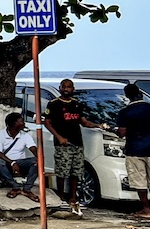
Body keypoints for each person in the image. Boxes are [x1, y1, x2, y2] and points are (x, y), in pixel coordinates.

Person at [43, 78, 105, 215]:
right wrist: (59, 137)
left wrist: (97, 125)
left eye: (69, 87)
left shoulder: (77, 104)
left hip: (77, 142)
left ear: (73, 89)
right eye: (64, 86)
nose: (66, 89)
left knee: (75, 172)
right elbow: (47, 123)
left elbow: (84, 122)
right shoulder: (54, 104)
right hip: (62, 144)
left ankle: (73, 197)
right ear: (60, 88)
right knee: (62, 172)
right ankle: (61, 197)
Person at [116, 83, 150, 220]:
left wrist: (113, 130)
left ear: (127, 96)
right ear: (141, 94)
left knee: (140, 182)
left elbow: (122, 132)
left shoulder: (126, 112)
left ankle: (146, 210)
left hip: (135, 150)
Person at [0, 112, 39, 201]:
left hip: (20, 164)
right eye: (21, 121)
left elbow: (33, 148)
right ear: (14, 124)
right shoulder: (0, 135)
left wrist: (38, 157)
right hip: (6, 164)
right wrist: (12, 163)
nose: (24, 123)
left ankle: (27, 189)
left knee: (37, 161)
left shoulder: (24, 135)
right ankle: (15, 187)